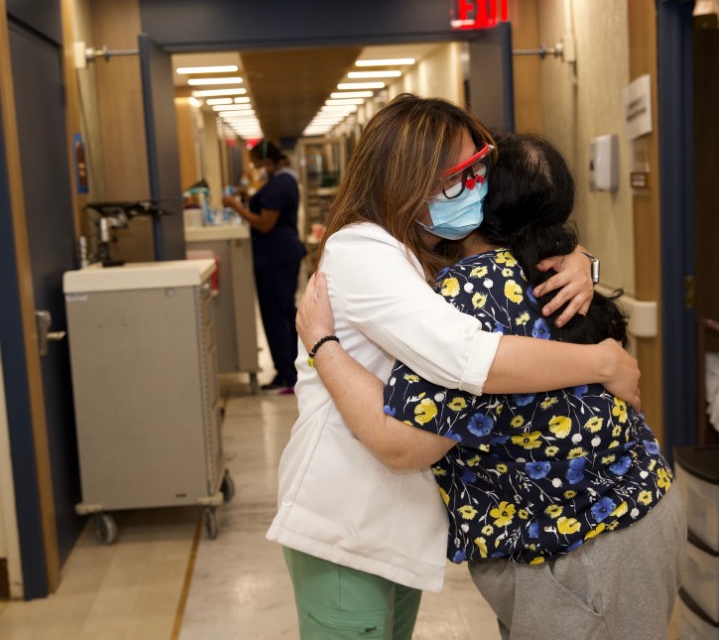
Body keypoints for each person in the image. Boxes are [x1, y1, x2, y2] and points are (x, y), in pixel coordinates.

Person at [265, 94, 643, 639]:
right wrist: (600, 360)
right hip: (346, 519)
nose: (474, 191)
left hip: (397, 523)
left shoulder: (423, 246)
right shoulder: (361, 252)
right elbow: (467, 355)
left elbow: (518, 250)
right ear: (407, 177)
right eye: (457, 177)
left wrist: (581, 259)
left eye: (478, 171)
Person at [223, 139, 306, 393]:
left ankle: (286, 374)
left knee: (276, 316)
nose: (257, 168)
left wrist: (236, 206)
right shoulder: (284, 181)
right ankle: (293, 368)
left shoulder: (280, 184)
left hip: (275, 258)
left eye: (258, 163)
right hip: (283, 254)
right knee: (284, 312)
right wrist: (249, 197)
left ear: (266, 161)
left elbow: (264, 224)